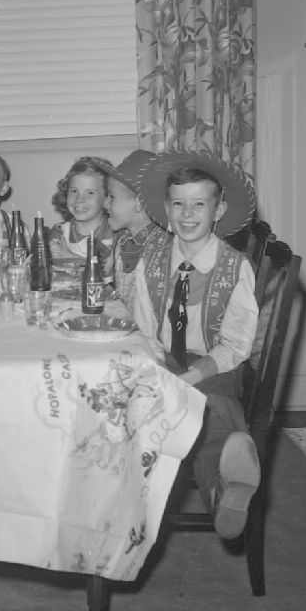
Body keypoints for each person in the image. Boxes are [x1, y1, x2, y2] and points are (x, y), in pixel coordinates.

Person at [133, 151, 260, 541]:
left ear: (218, 210)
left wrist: (191, 376)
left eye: (199, 204)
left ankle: (224, 493)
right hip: (163, 359)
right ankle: (119, 495)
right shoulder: (151, 261)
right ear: (167, 211)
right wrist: (157, 369)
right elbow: (143, 329)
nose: (188, 214)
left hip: (214, 364)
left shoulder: (235, 267)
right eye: (179, 204)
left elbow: (235, 344)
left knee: (212, 407)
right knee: (127, 398)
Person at [103, 150, 171, 313]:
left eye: (111, 197)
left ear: (139, 203)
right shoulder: (123, 239)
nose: (105, 204)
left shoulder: (162, 249)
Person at [49, 156, 115, 261]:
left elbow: (107, 270)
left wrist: (70, 257)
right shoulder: (59, 232)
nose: (79, 199)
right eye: (74, 191)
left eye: (90, 193)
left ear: (107, 200)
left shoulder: (114, 235)